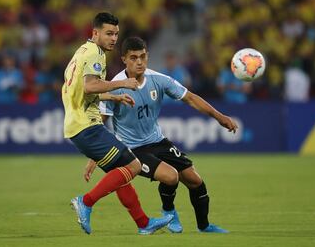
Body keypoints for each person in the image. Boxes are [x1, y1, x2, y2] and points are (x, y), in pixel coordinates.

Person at [86, 36, 238, 233]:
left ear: (147, 56)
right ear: (124, 59)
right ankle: (169, 212)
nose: (139, 62)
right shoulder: (114, 85)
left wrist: (219, 116)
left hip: (157, 141)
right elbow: (101, 122)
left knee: (195, 180)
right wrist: (95, 156)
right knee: (170, 176)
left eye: (142, 56)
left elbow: (190, 98)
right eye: (133, 58)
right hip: (132, 150)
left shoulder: (158, 79)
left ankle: (204, 226)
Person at [62, 13, 173, 235]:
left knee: (119, 175)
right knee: (133, 166)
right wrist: (122, 84)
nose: (113, 38)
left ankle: (143, 223)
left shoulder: (81, 52)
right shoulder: (96, 54)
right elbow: (90, 87)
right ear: (95, 33)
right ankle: (86, 201)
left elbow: (75, 90)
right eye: (108, 33)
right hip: (87, 126)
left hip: (77, 124)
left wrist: (113, 97)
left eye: (116, 34)